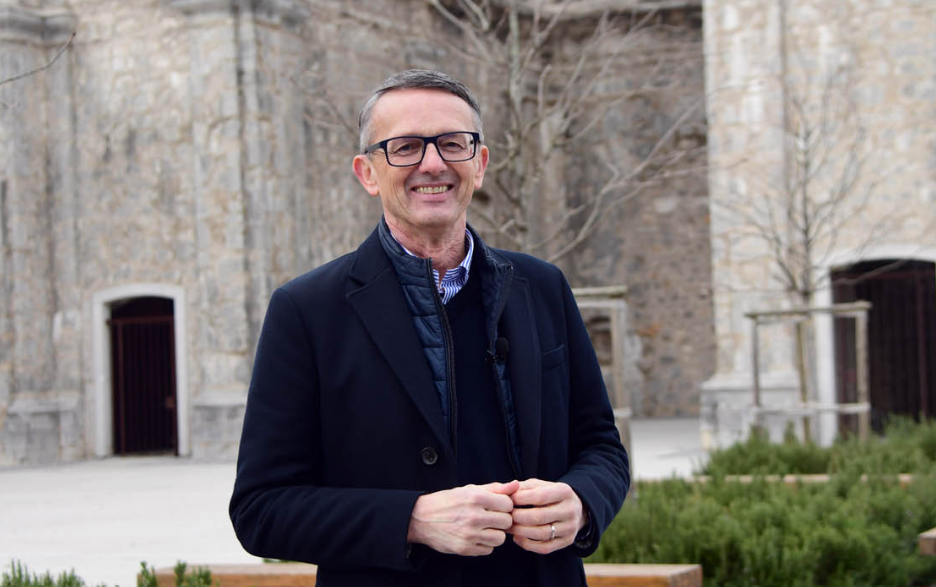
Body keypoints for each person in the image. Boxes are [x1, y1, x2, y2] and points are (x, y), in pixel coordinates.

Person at [229, 69, 630, 587]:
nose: (434, 163)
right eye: (405, 147)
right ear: (367, 173)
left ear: (479, 164)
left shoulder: (543, 286)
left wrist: (582, 501)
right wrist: (412, 520)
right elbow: (261, 509)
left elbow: (601, 447)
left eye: (453, 143)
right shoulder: (305, 311)